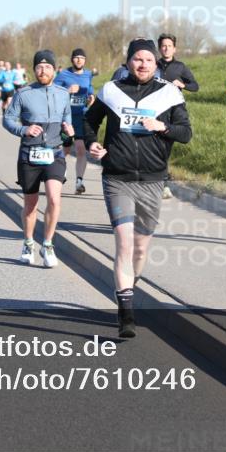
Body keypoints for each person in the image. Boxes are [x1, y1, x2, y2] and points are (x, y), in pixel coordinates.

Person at [84, 39, 192, 337]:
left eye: (148, 59)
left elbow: (186, 133)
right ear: (128, 62)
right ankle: (126, 314)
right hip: (117, 178)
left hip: (153, 180)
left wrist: (163, 127)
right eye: (137, 59)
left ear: (156, 64)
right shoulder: (111, 90)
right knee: (124, 242)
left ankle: (130, 284)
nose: (142, 64)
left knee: (141, 247)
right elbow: (89, 122)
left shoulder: (169, 94)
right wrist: (93, 143)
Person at [2, 50, 75, 268]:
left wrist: (69, 133)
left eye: (47, 67)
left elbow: (66, 123)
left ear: (54, 69)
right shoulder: (23, 94)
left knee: (54, 199)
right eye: (39, 67)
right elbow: (8, 119)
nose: (43, 71)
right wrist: (24, 129)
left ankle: (48, 244)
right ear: (34, 70)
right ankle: (28, 243)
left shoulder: (63, 94)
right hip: (29, 154)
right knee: (31, 204)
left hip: (54, 153)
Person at [156, 33, 199, 199]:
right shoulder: (154, 65)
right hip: (156, 111)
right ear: (160, 48)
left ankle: (163, 183)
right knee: (155, 148)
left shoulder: (180, 67)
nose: (166, 49)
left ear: (174, 48)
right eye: (163, 46)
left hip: (173, 113)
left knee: (165, 149)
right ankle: (159, 183)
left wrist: (182, 84)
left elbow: (195, 86)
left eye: (169, 46)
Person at [53, 48, 96, 194]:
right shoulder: (63, 74)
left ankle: (79, 182)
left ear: (85, 60)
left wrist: (91, 98)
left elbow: (90, 92)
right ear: (72, 59)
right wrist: (67, 91)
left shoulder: (88, 74)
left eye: (82, 58)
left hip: (81, 117)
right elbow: (52, 92)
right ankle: (59, 174)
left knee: (80, 149)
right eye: (76, 57)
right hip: (66, 119)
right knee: (64, 149)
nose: (79, 60)